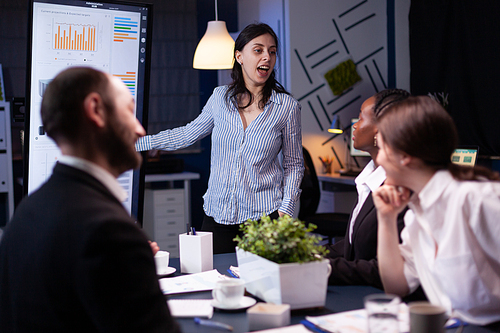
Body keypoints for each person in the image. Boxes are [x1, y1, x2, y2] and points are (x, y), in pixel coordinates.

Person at [0, 67, 181, 332]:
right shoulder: (110, 231)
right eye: (129, 112)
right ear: (96, 110)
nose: (140, 130)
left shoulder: (27, 211)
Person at [136, 23, 304, 254]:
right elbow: (188, 134)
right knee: (213, 280)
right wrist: (138, 143)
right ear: (239, 56)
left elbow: (294, 164)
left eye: (272, 51)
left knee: (261, 285)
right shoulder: (219, 98)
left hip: (265, 217)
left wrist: (286, 208)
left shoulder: (287, 107)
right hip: (219, 214)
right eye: (258, 50)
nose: (267, 57)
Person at [373, 95, 500, 325]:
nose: (378, 158)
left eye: (380, 148)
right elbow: (396, 287)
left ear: (405, 157)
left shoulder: (475, 199)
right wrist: (386, 218)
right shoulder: (415, 215)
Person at [326, 89, 410, 288]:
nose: (355, 125)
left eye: (361, 118)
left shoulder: (399, 189)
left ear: (381, 130)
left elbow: (384, 269)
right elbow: (352, 247)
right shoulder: (369, 178)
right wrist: (301, 255)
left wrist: (323, 268)